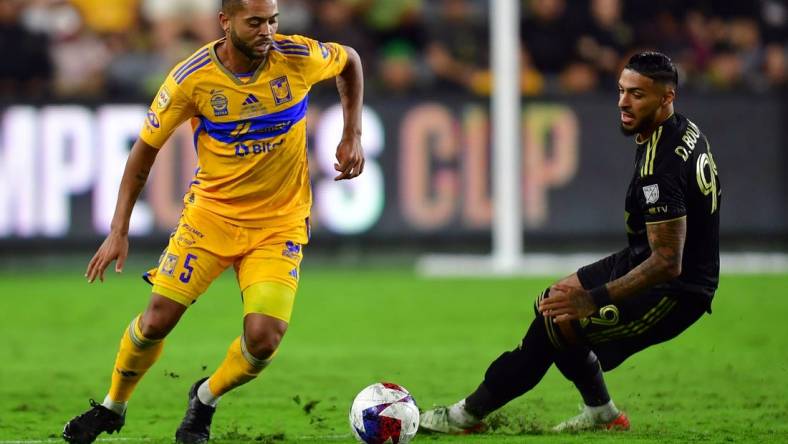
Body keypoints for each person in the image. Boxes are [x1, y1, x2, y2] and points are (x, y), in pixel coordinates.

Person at [62, 0, 364, 442]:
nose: (268, 31)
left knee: (263, 340)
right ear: (226, 22)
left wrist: (351, 133)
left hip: (278, 225)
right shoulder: (191, 78)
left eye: (273, 21)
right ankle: (113, 406)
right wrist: (118, 230)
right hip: (211, 219)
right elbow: (144, 151)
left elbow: (350, 61)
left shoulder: (296, 57)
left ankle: (204, 397)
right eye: (256, 22)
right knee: (156, 321)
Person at [420, 51, 720, 434]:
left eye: (637, 95)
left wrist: (593, 299)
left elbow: (667, 262)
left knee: (557, 323)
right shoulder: (683, 129)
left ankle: (466, 416)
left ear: (667, 97)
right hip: (643, 257)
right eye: (621, 90)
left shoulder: (658, 170)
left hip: (675, 290)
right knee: (552, 302)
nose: (623, 103)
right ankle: (602, 416)